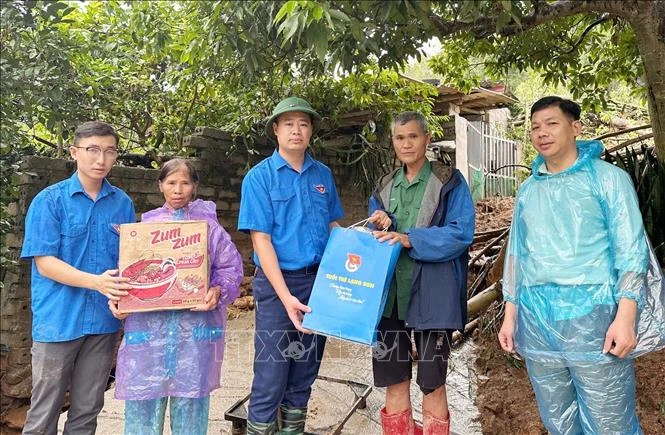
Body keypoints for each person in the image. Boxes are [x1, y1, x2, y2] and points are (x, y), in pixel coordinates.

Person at [498, 96, 650, 434]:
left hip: (594, 316)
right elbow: (516, 256)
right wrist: (511, 317)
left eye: (552, 123)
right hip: (537, 318)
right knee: (557, 418)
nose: (542, 133)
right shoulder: (528, 191)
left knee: (610, 420)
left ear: (575, 128)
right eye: (535, 127)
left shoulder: (608, 180)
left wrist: (625, 317)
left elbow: (630, 249)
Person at [108, 158, 243, 435]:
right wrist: (120, 301)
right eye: (171, 183)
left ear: (194, 186)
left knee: (191, 408)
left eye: (185, 183)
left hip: (194, 337)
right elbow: (128, 273)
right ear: (160, 186)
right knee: (143, 410)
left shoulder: (209, 230)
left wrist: (216, 290)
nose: (178, 190)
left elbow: (230, 269)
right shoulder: (143, 230)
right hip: (148, 339)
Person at [20, 121, 136, 435]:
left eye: (109, 151)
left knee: (87, 410)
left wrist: (125, 299)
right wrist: (96, 282)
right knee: (44, 412)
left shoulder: (123, 204)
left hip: (103, 321)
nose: (101, 159)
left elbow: (129, 262)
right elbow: (45, 263)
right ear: (75, 152)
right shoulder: (49, 201)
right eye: (93, 150)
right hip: (58, 321)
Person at [238, 97, 344, 434]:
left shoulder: (322, 175)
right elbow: (261, 241)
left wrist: (368, 240)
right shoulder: (259, 178)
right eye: (288, 124)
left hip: (318, 286)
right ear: (276, 130)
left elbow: (333, 230)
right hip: (276, 288)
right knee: (271, 374)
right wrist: (285, 298)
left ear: (311, 130)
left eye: (303, 124)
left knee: (304, 372)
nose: (296, 130)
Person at [368, 111, 475, 435]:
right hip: (391, 300)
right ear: (393, 142)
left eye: (413, 136)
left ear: (427, 139)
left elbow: (460, 233)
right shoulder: (385, 186)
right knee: (394, 380)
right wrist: (380, 221)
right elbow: (374, 233)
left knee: (432, 383)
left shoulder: (449, 181)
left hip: (433, 297)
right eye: (400, 138)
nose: (406, 143)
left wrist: (410, 238)